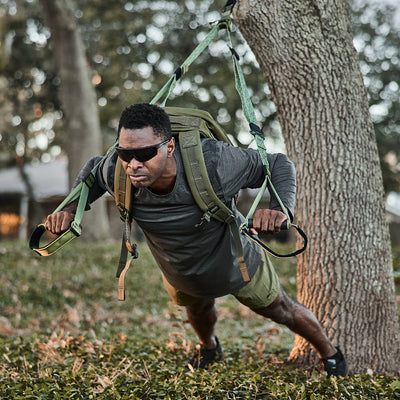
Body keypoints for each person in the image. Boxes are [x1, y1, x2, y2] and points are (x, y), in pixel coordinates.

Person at [45, 103, 348, 377]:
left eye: (146, 153)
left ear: (170, 146)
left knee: (280, 309)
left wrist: (279, 208)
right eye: (126, 154)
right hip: (179, 268)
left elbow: (278, 164)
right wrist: (69, 209)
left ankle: (331, 354)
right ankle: (209, 347)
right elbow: (92, 173)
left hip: (234, 259)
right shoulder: (117, 169)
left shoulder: (215, 161)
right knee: (198, 309)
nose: (134, 164)